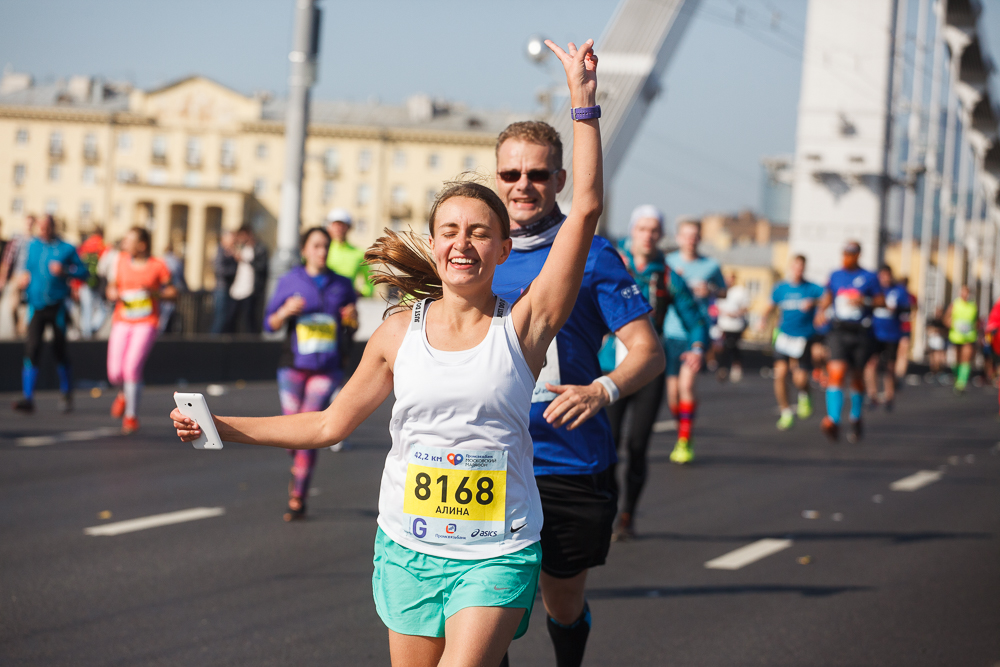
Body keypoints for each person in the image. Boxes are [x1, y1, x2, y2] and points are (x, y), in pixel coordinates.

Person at [172, 38, 603, 667]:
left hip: (496, 550)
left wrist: (583, 105)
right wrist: (220, 428)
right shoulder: (398, 331)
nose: (463, 245)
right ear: (433, 245)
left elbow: (586, 207)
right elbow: (328, 424)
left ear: (503, 250)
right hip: (407, 547)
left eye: (481, 233)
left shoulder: (526, 325)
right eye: (450, 233)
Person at [491, 119, 664, 665]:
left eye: (538, 174)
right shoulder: (472, 257)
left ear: (560, 178)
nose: (523, 184)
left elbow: (648, 351)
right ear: (496, 178)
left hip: (568, 462)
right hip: (485, 461)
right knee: (486, 612)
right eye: (511, 173)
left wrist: (601, 390)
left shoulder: (593, 254)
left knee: (561, 605)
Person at [600, 205, 705, 541]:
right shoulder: (610, 264)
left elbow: (694, 318)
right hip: (609, 367)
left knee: (638, 444)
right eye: (642, 228)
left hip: (648, 370)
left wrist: (698, 346)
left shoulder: (669, 275)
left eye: (654, 230)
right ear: (632, 231)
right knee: (608, 445)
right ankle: (605, 510)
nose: (647, 235)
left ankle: (628, 516)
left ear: (661, 235)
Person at [264, 226, 357, 521]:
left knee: (308, 429)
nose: (322, 251)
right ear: (304, 249)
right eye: (316, 246)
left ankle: (298, 495)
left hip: (327, 368)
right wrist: (285, 311)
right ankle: (299, 466)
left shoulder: (341, 283)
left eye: (325, 246)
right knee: (293, 432)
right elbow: (269, 323)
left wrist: (351, 319)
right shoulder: (290, 280)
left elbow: (352, 325)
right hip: (292, 366)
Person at [12, 215, 88, 413]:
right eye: (41, 228)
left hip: (57, 306)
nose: (43, 231)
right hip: (36, 305)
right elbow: (28, 268)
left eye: (47, 227)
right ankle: (28, 398)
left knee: (59, 350)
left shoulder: (66, 248)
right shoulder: (33, 246)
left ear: (54, 227)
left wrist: (65, 270)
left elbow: (83, 271)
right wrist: (24, 281)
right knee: (32, 349)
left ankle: (66, 393)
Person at [663, 219, 724, 464]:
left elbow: (724, 290)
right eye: (686, 235)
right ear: (678, 238)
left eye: (695, 235)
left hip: (695, 334)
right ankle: (683, 429)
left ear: (700, 238)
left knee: (687, 386)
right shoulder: (668, 263)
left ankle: (684, 440)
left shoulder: (710, 265)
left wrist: (709, 289)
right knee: (672, 395)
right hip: (670, 332)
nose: (691, 239)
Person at [106, 227, 176, 433]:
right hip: (122, 320)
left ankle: (131, 416)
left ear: (142, 245)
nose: (124, 244)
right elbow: (112, 286)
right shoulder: (120, 261)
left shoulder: (157, 266)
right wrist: (112, 293)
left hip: (147, 322)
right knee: (115, 373)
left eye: (129, 241)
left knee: (131, 369)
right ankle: (123, 394)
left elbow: (173, 292)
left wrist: (155, 294)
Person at [815, 241, 882, 443]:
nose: (846, 257)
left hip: (861, 331)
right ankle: (833, 420)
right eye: (844, 253)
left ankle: (856, 416)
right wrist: (820, 311)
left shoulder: (869, 277)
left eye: (851, 254)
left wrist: (865, 301)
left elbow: (881, 300)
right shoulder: (835, 275)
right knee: (836, 372)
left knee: (856, 377)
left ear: (858, 255)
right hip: (838, 330)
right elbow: (828, 296)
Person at [760, 254, 823, 431]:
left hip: (803, 337)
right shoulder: (781, 288)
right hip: (784, 335)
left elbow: (827, 298)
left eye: (801, 267)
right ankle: (786, 411)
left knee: (800, 378)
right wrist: (762, 318)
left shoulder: (812, 288)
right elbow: (770, 305)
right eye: (795, 266)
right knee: (780, 374)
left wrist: (816, 304)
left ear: (804, 268)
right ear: (790, 267)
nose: (798, 270)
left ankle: (805, 393)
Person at [866, 265, 909, 411]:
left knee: (889, 367)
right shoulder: (874, 291)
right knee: (871, 364)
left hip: (892, 334)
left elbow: (908, 308)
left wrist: (895, 309)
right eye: (882, 275)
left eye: (887, 275)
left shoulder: (899, 291)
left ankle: (889, 396)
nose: (884, 278)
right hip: (874, 333)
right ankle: (872, 395)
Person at [228, 226, 269, 334]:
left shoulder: (259, 248)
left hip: (251, 290)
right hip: (237, 289)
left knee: (249, 320)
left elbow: (262, 267)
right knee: (232, 318)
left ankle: (251, 344)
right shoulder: (242, 248)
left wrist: (245, 260)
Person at [325, 208, 374, 298]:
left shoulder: (358, 253)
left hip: (346, 304)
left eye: (342, 225)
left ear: (349, 228)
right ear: (329, 227)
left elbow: (371, 280)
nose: (339, 228)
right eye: (335, 225)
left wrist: (362, 292)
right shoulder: (321, 250)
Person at [715, 271, 749, 383]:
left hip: (736, 325)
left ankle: (733, 366)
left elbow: (746, 307)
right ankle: (723, 367)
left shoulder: (740, 291)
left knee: (732, 345)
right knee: (723, 347)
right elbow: (716, 305)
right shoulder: (721, 290)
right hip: (723, 325)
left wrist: (736, 313)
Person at [944, 284, 978, 394]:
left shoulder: (973, 306)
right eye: (963, 292)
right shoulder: (955, 304)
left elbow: (976, 321)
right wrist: (950, 323)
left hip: (969, 336)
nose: (965, 294)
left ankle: (961, 383)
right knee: (957, 359)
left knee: (966, 358)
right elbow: (946, 318)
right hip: (956, 335)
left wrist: (975, 327)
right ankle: (957, 378)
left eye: (966, 292)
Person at [75, 227, 108, 339]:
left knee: (86, 309)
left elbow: (78, 265)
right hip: (98, 282)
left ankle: (86, 333)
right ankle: (92, 328)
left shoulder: (85, 245)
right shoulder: (103, 246)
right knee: (102, 308)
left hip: (84, 281)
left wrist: (75, 285)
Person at [211, 231, 238, 334]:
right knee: (220, 318)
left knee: (228, 319)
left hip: (230, 289)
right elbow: (219, 269)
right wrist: (234, 268)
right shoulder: (221, 251)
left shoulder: (230, 252)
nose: (233, 242)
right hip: (222, 289)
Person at [158, 242, 188, 334]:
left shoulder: (161, 261)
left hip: (163, 293)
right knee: (169, 318)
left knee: (163, 319)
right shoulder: (176, 261)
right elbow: (181, 278)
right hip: (173, 293)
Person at [925, 307, 949, 383]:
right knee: (933, 359)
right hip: (933, 343)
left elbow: (946, 331)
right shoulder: (932, 320)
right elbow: (929, 330)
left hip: (941, 343)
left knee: (940, 359)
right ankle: (934, 373)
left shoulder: (943, 322)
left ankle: (940, 373)